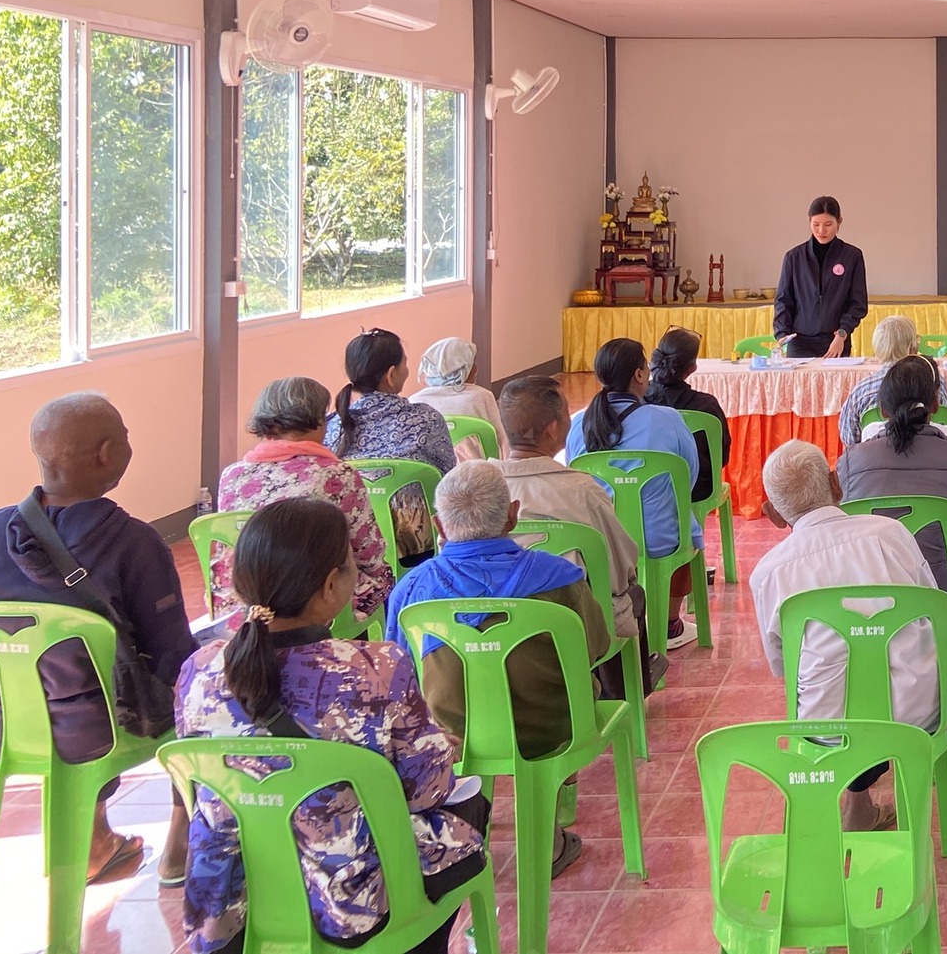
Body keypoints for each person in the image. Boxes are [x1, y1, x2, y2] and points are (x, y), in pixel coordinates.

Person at [174, 499, 488, 954]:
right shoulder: (376, 669)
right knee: (469, 804)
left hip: (234, 894)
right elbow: (426, 792)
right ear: (329, 585)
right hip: (350, 897)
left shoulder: (197, 671)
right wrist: (437, 747)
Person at [0, 393, 193, 886]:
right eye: (125, 437)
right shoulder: (133, 542)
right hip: (93, 732)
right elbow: (172, 657)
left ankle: (96, 839)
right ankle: (182, 843)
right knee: (199, 686)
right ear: (107, 454)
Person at [385, 462, 608, 879]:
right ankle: (550, 836)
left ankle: (466, 831)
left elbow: (401, 674)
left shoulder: (412, 591)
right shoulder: (559, 576)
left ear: (439, 525)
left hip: (455, 734)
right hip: (554, 727)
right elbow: (597, 647)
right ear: (513, 515)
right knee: (582, 684)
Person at [748, 440, 947, 831]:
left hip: (825, 729)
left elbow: (782, 666)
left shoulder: (769, 573)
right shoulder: (891, 535)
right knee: (903, 659)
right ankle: (887, 797)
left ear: (773, 515)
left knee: (831, 683)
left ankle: (857, 805)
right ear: (836, 484)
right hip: (919, 712)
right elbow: (934, 608)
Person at [213, 376, 392, 624]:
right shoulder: (337, 475)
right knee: (385, 579)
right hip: (312, 601)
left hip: (245, 601)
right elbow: (369, 554)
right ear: (317, 421)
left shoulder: (231, 476)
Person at [565, 337, 703, 649]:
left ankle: (610, 618)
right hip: (659, 538)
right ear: (640, 375)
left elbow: (575, 479)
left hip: (600, 539)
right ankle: (670, 623)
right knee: (687, 524)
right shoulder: (667, 418)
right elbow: (687, 479)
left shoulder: (579, 424)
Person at [493, 375, 644, 647]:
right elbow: (621, 567)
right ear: (553, 429)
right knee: (631, 595)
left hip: (496, 624)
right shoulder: (582, 490)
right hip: (570, 626)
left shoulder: (479, 487)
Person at [838, 356, 947, 631]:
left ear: (883, 410)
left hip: (869, 594)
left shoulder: (851, 462)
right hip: (940, 588)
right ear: (935, 405)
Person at [324, 328, 457, 564]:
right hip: (415, 548)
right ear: (391, 375)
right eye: (405, 364)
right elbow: (447, 480)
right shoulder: (425, 420)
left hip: (349, 546)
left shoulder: (332, 426)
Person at [772, 195, 869, 358]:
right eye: (816, 224)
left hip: (836, 341)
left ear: (839, 221)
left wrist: (843, 333)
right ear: (809, 221)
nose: (821, 230)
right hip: (799, 342)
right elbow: (783, 300)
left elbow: (858, 303)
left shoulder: (852, 256)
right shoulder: (794, 257)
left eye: (828, 224)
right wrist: (782, 333)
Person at [838, 315, 947, 447]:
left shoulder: (862, 391)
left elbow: (849, 439)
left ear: (877, 349)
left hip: (875, 456)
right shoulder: (934, 381)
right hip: (933, 451)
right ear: (913, 347)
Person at [644, 326, 727, 499]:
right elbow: (722, 457)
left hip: (646, 487)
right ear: (692, 368)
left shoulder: (638, 401)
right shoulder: (707, 405)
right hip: (697, 489)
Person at [405, 338, 505, 462]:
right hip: (476, 470)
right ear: (465, 369)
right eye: (472, 363)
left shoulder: (414, 401)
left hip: (432, 472)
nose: (476, 368)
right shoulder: (481, 397)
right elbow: (501, 443)